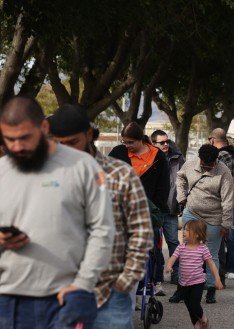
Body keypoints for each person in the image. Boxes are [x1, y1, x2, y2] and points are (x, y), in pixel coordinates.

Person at [0, 96, 115, 328]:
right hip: (5, 303)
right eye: (9, 139)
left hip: (63, 301)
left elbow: (103, 230)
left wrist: (83, 285)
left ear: (43, 127)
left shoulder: (84, 166)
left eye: (24, 137)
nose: (17, 147)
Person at [48, 105, 154, 328]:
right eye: (59, 144)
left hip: (109, 295)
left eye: (72, 142)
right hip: (55, 295)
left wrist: (125, 282)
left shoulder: (120, 174)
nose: (66, 150)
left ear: (89, 135)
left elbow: (141, 231)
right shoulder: (43, 174)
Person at [109, 122, 170, 296]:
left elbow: (163, 185)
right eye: (124, 142)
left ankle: (155, 281)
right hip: (121, 209)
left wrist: (157, 209)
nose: (127, 146)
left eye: (130, 142)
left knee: (152, 248)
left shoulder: (157, 156)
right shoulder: (118, 152)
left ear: (140, 140)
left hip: (149, 210)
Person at [177, 144, 234, 304]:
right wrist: (181, 196)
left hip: (214, 218)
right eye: (205, 165)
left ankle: (211, 289)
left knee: (211, 254)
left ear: (216, 160)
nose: (208, 168)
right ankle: (182, 289)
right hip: (192, 213)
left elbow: (228, 199)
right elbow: (180, 177)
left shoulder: (224, 171)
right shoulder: (190, 164)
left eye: (211, 165)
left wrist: (226, 223)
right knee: (188, 252)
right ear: (200, 159)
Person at [165, 220, 223, 329]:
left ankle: (204, 319)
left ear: (196, 234)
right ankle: (196, 323)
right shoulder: (181, 247)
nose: (183, 232)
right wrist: (169, 266)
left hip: (197, 283)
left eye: (187, 230)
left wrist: (217, 279)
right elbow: (173, 257)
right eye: (184, 229)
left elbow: (211, 264)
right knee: (189, 306)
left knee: (194, 305)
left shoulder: (203, 249)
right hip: (184, 283)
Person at [150, 130, 185, 292]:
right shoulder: (150, 157)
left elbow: (183, 182)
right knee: (155, 245)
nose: (166, 144)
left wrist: (181, 202)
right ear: (153, 143)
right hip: (155, 209)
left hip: (171, 207)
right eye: (162, 142)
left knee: (173, 242)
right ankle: (156, 275)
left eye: (167, 141)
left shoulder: (178, 158)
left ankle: (176, 274)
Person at [208, 128, 234, 280]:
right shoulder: (233, 154)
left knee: (226, 236)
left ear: (212, 140)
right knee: (232, 235)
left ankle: (230, 267)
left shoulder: (221, 156)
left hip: (223, 200)